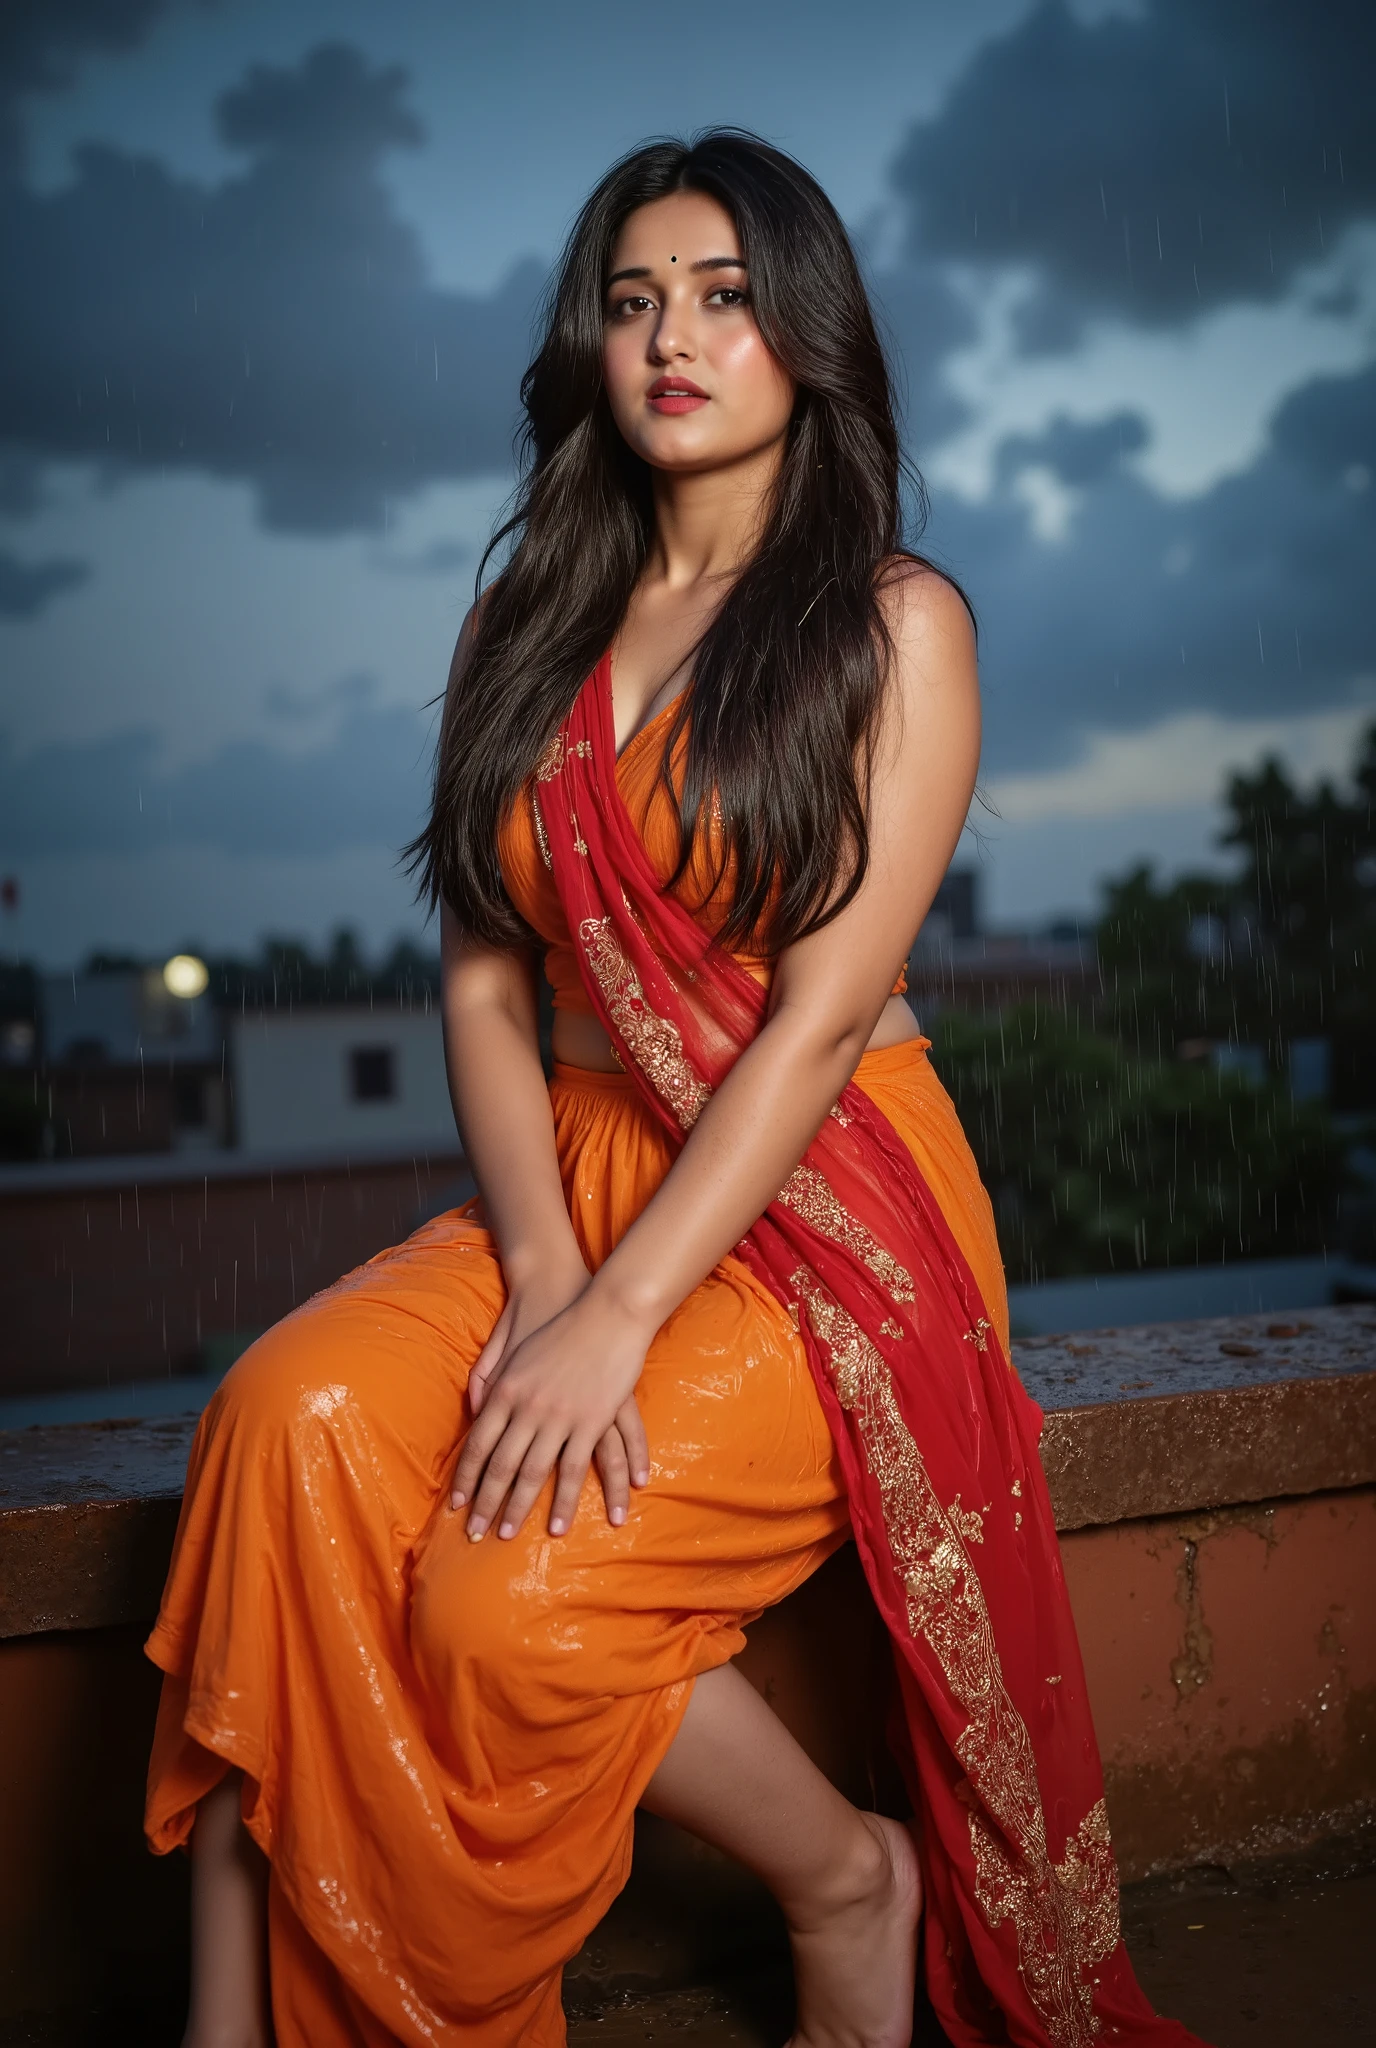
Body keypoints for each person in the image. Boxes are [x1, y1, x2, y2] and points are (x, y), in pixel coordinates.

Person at [146, 131, 1208, 2048]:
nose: (673, 339)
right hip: (567, 1171)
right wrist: (551, 1278)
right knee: (281, 1421)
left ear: (808, 333)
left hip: (818, 1209)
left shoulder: (896, 629)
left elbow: (810, 1028)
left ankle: (845, 1881)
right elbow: (482, 978)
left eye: (723, 297)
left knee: (504, 1613)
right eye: (633, 300)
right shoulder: (523, 625)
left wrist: (627, 1316)